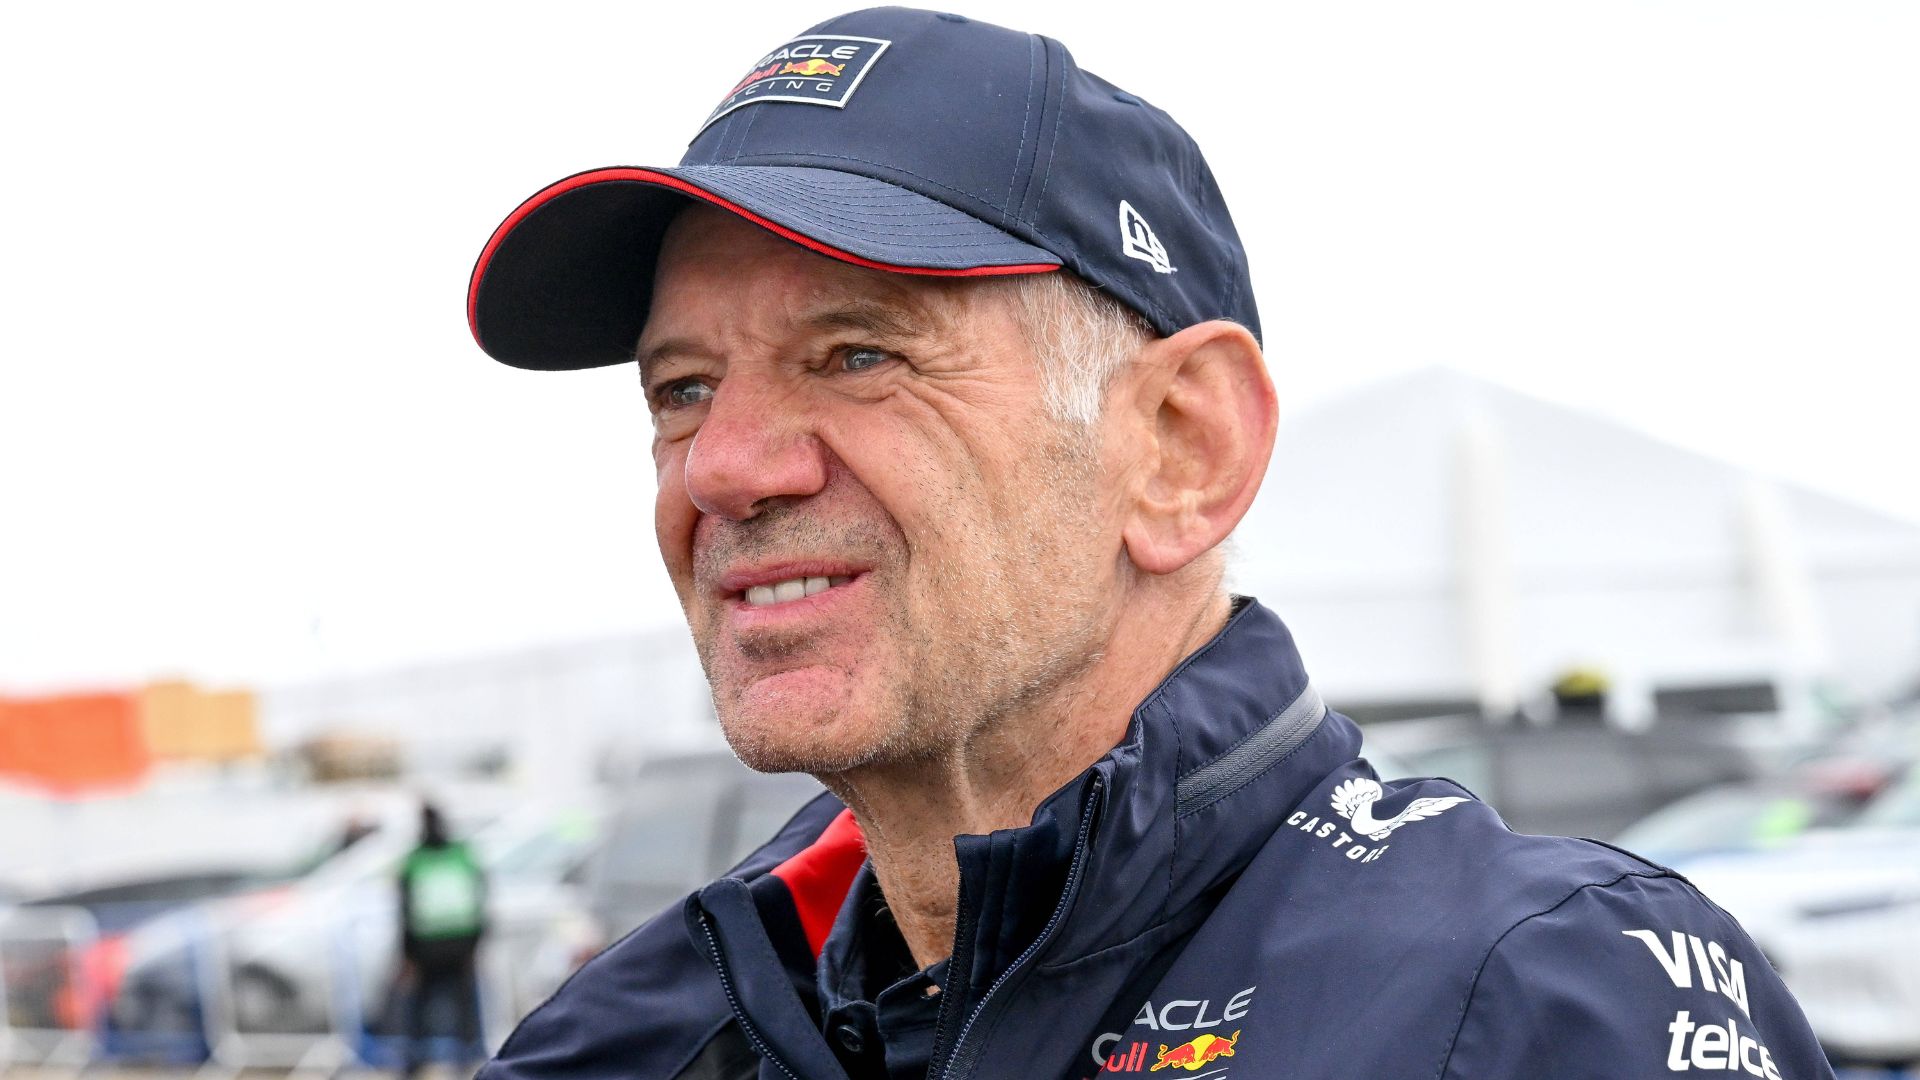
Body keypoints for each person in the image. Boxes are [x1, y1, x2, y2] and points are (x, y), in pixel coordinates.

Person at [463, 8, 1834, 1079]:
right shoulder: (628, 1041)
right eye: (682, 389)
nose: (724, 466)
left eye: (860, 354)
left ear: (1185, 448)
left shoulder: (1540, 1003)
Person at [396, 801, 487, 1077]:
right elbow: (480, 900)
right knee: (463, 1008)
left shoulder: (414, 860)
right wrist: (476, 944)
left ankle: (415, 1064)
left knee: (420, 1009)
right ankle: (468, 1062)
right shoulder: (463, 855)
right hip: (460, 944)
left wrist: (406, 954)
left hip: (426, 947)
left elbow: (405, 911)